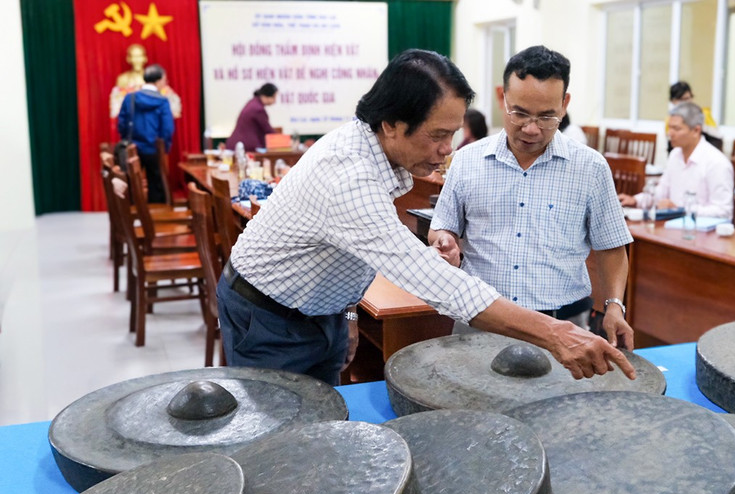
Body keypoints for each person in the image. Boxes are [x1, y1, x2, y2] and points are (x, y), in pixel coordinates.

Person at [216, 49, 636, 386]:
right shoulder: (349, 177)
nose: (447, 149)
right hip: (269, 319)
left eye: (453, 133)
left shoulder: (373, 151)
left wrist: (346, 315)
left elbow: (347, 255)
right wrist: (556, 333)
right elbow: (435, 282)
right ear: (392, 124)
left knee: (319, 423)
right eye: (438, 135)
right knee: (279, 440)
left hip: (318, 311)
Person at [428, 45, 635, 349]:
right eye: (520, 114)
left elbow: (612, 247)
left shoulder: (590, 168)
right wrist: (444, 240)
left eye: (546, 116)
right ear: (503, 99)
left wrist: (614, 305)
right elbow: (442, 227)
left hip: (564, 327)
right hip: (479, 322)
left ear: (564, 105)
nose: (531, 129)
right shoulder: (467, 161)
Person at [620, 102, 733, 219]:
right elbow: (661, 192)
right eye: (669, 127)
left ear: (696, 130)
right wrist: (635, 200)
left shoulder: (717, 162)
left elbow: (723, 211)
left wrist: (680, 210)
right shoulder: (675, 155)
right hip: (671, 224)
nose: (670, 133)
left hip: (699, 228)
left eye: (676, 129)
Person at [117, 64, 174, 204]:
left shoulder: (130, 98)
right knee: (156, 184)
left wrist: (126, 139)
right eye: (164, 80)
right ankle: (156, 212)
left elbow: (122, 123)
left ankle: (132, 210)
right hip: (153, 149)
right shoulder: (162, 101)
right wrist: (164, 148)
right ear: (158, 81)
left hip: (132, 148)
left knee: (131, 184)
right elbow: (167, 128)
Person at [110, 44, 181, 119]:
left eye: (139, 56)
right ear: (129, 59)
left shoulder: (153, 77)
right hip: (132, 118)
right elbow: (118, 103)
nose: (137, 60)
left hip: (153, 117)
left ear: (145, 58)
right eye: (134, 56)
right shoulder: (123, 79)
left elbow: (165, 97)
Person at [667, 80, 720, 151]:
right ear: (672, 101)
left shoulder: (703, 115)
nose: (684, 103)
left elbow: (717, 139)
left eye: (687, 99)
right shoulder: (671, 119)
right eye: (680, 100)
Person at [226, 83, 278, 151]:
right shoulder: (258, 109)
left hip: (237, 144)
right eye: (274, 97)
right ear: (267, 95)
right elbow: (268, 130)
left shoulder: (253, 103)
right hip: (246, 146)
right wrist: (283, 141)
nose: (275, 101)